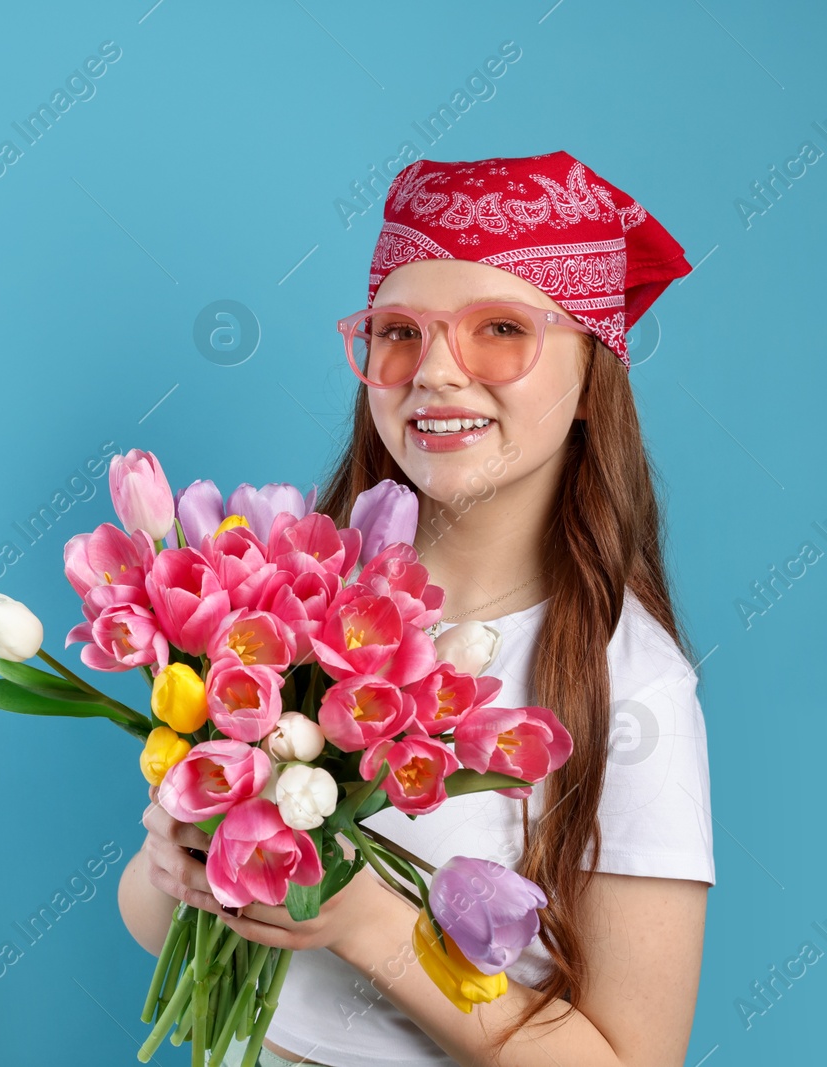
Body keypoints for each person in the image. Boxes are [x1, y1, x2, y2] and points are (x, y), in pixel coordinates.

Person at [117, 150, 716, 1066]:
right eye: (399, 331)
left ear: (595, 374)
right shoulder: (295, 595)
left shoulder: (631, 686)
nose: (434, 371)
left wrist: (370, 926)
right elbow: (154, 920)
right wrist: (179, 866)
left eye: (500, 329)